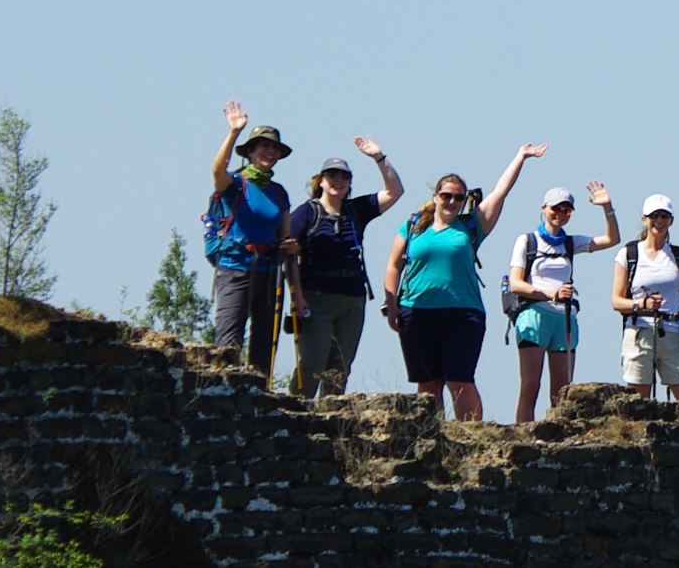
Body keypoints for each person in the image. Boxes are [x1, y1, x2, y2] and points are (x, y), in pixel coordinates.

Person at [378, 145, 539, 422]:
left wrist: (520, 157)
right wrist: (392, 306)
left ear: (465, 200)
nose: (451, 201)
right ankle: (432, 438)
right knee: (428, 385)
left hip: (462, 313)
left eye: (458, 197)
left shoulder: (472, 226)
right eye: (446, 196)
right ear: (435, 197)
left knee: (459, 380)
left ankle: (473, 438)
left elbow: (500, 192)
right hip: (416, 312)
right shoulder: (414, 225)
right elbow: (393, 265)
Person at [281, 139, 404, 399]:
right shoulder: (306, 213)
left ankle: (332, 422)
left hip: (353, 299)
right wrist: (297, 298)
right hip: (316, 299)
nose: (337, 180)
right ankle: (293, 415)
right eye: (331, 175)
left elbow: (394, 191)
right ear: (321, 181)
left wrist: (378, 157)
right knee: (312, 363)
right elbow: (288, 255)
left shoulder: (356, 211)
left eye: (343, 176)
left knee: (339, 368)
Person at [506, 183, 620, 425]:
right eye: (556, 208)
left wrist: (607, 207)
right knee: (530, 385)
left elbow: (612, 239)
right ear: (544, 208)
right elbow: (516, 283)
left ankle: (555, 437)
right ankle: (523, 436)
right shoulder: (527, 241)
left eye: (566, 210)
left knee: (562, 391)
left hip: (564, 318)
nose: (560, 214)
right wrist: (552, 293)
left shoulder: (570, 243)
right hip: (533, 316)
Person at [205, 103, 294, 377]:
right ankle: (222, 399)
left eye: (274, 148)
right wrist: (233, 133)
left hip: (269, 274)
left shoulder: (279, 193)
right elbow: (216, 170)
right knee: (228, 344)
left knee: (264, 348)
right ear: (251, 152)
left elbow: (286, 238)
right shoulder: (235, 184)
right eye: (261, 146)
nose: (268, 151)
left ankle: (259, 405)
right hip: (234, 269)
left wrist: (291, 247)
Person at [610, 192, 679, 409]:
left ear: (671, 220)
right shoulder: (628, 254)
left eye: (664, 216)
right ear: (644, 219)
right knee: (637, 407)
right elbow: (616, 301)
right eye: (654, 215)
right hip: (640, 333)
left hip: (673, 334)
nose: (659, 220)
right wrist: (641, 305)